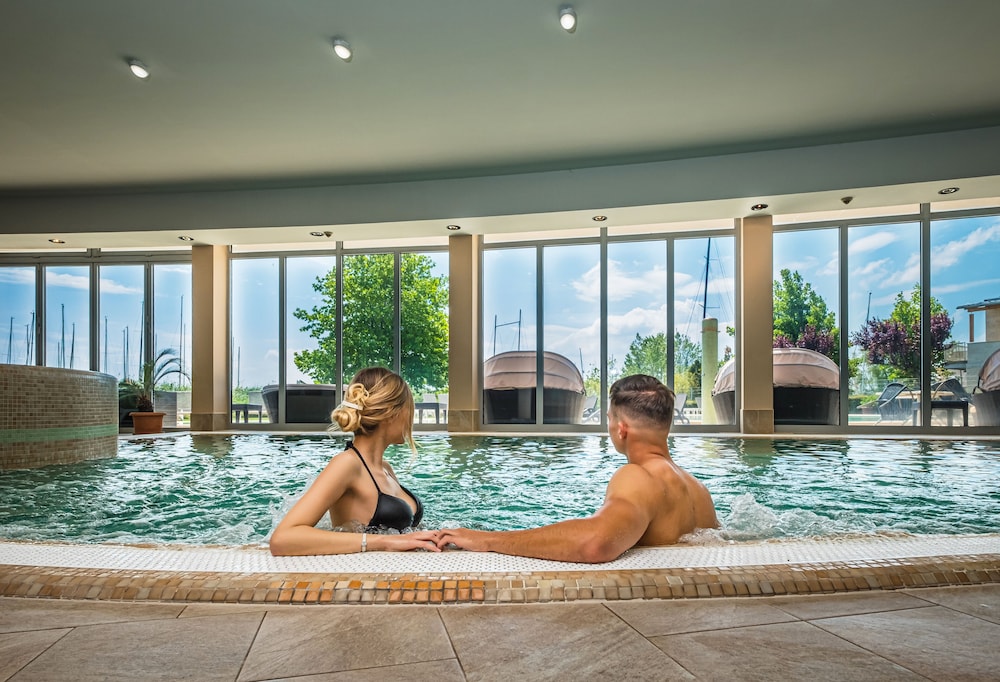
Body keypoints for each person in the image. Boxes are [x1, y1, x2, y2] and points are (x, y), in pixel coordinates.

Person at [437, 374, 718, 563]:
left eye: (609, 419)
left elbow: (595, 542)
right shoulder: (698, 490)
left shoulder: (638, 477)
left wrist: (488, 539)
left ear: (621, 429)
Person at [270, 367, 440, 556]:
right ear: (392, 413)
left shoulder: (385, 468)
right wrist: (385, 542)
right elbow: (283, 539)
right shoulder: (347, 464)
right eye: (409, 410)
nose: (411, 420)